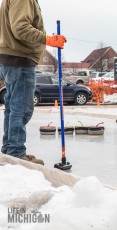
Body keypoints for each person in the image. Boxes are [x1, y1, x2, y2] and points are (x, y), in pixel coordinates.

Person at [0, 0, 67, 165]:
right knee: (22, 108)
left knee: (13, 107)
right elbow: (20, 28)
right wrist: (47, 39)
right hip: (20, 59)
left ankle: (10, 150)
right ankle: (16, 153)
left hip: (11, 58)